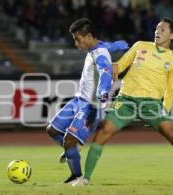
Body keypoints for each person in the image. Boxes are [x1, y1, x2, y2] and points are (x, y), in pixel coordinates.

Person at [73, 17, 173, 186]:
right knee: (103, 132)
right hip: (126, 101)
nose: (158, 32)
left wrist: (165, 109)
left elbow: (170, 90)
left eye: (163, 30)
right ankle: (86, 178)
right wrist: (101, 63)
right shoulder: (140, 46)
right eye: (157, 29)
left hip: (152, 105)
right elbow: (118, 67)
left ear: (172, 36)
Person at [45, 18, 128, 184]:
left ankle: (77, 176)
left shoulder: (100, 54)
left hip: (91, 106)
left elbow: (105, 71)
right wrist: (120, 45)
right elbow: (109, 46)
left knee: (68, 139)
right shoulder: (98, 46)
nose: (76, 43)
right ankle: (73, 149)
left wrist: (103, 92)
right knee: (52, 130)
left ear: (89, 36)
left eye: (78, 39)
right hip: (78, 100)